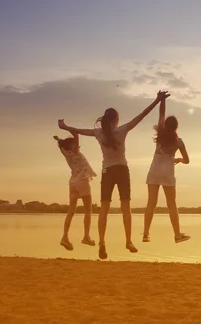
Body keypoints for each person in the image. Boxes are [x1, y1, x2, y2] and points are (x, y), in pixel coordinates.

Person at [58, 90, 170, 259]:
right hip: (122, 170)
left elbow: (79, 130)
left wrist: (65, 127)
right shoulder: (122, 130)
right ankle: (128, 241)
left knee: (104, 208)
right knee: (126, 207)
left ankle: (102, 242)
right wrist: (157, 100)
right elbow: (141, 116)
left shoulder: (99, 133)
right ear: (116, 120)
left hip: (107, 172)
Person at [143, 97, 190, 243]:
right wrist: (179, 160)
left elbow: (161, 115)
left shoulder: (161, 135)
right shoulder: (179, 142)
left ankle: (145, 234)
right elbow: (187, 160)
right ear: (176, 127)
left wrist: (162, 101)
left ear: (165, 125)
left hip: (154, 171)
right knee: (171, 205)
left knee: (151, 202)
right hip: (168, 174)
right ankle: (177, 234)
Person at [53, 131, 97, 251]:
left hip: (73, 183)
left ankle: (65, 237)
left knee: (71, 211)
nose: (78, 146)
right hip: (82, 180)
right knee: (88, 210)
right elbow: (76, 136)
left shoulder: (66, 154)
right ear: (73, 146)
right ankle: (86, 236)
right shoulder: (76, 152)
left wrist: (58, 140)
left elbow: (62, 146)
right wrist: (70, 128)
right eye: (76, 144)